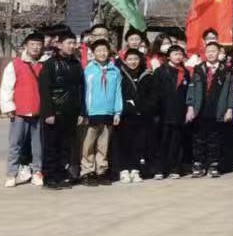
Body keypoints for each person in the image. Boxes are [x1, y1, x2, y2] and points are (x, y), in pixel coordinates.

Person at [37, 31, 84, 189]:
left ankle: (61, 173)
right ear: (59, 44)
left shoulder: (76, 64)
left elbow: (81, 89)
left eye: (74, 43)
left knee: (66, 146)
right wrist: (48, 112)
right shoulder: (49, 64)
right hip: (54, 112)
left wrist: (81, 112)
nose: (72, 46)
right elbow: (44, 90)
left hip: (71, 112)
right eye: (69, 43)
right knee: (51, 146)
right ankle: (50, 176)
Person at [0, 32, 46, 187]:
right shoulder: (15, 64)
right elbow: (7, 87)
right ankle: (11, 173)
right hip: (20, 110)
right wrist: (8, 106)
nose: (35, 47)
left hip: (39, 110)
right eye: (32, 44)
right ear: (26, 45)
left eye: (38, 44)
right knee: (15, 143)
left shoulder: (45, 64)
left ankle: (37, 171)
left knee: (38, 145)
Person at [187, 42, 233, 178]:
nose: (211, 54)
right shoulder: (198, 69)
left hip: (217, 109)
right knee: (199, 138)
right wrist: (190, 106)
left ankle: (213, 164)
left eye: (214, 51)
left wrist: (229, 109)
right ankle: (198, 163)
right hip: (200, 109)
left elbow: (231, 92)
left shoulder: (226, 70)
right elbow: (191, 88)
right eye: (208, 51)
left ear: (219, 52)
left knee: (215, 138)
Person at [79, 40, 123, 186]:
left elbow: (118, 92)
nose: (102, 53)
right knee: (88, 145)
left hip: (108, 112)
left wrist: (117, 111)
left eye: (104, 50)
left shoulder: (115, 71)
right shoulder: (88, 70)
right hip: (92, 112)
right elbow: (84, 92)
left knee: (103, 145)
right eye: (99, 51)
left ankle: (101, 170)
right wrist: (84, 111)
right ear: (93, 53)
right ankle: (87, 171)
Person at [114, 48, 156, 183]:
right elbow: (118, 94)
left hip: (142, 115)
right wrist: (128, 107)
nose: (133, 62)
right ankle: (124, 170)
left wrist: (142, 107)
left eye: (136, 59)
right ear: (125, 61)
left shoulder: (147, 75)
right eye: (130, 59)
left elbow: (152, 96)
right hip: (125, 115)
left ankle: (135, 169)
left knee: (139, 143)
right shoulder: (120, 74)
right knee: (124, 143)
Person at [151, 45, 190, 180]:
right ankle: (160, 169)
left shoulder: (185, 72)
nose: (178, 57)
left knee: (176, 142)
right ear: (168, 56)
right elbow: (155, 93)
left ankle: (175, 168)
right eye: (175, 54)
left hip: (179, 112)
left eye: (180, 54)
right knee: (162, 142)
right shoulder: (160, 71)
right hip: (163, 113)